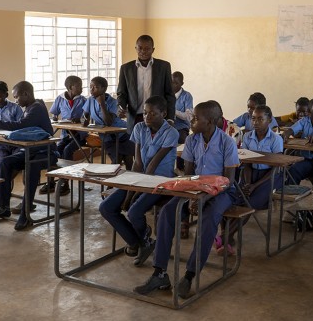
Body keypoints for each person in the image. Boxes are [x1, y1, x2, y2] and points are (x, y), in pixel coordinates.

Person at [134, 101, 239, 298]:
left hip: (222, 192)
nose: (192, 120)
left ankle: (190, 275)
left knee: (208, 221)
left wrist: (203, 197)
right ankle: (160, 273)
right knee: (167, 213)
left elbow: (227, 181)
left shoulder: (227, 143)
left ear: (212, 122)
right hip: (196, 188)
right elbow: (189, 175)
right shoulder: (192, 141)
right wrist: (190, 195)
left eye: (197, 118)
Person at [98, 96, 178, 266]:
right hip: (140, 177)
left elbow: (153, 166)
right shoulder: (140, 128)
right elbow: (138, 163)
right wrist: (129, 191)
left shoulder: (171, 132)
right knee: (106, 207)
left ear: (163, 113)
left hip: (160, 181)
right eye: (146, 113)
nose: (147, 117)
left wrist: (131, 196)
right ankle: (140, 242)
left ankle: (143, 240)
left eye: (153, 114)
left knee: (134, 211)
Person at [0, 81, 54, 230]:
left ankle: (25, 215)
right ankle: (3, 206)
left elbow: (21, 125)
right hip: (30, 151)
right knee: (6, 163)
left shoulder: (36, 108)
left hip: (46, 152)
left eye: (17, 97)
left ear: (26, 94)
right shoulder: (29, 107)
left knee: (31, 168)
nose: (16, 101)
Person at [216, 104, 284, 255]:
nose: (256, 122)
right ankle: (227, 239)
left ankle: (224, 237)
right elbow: (246, 163)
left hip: (270, 178)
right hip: (250, 175)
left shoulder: (276, 139)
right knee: (233, 199)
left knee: (249, 205)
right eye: (253, 119)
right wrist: (247, 183)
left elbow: (275, 167)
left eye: (260, 119)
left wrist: (255, 185)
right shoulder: (247, 136)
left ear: (270, 120)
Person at [116, 35, 175, 132]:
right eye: (140, 48)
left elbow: (170, 95)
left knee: (156, 145)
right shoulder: (126, 68)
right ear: (136, 48)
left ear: (153, 49)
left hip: (157, 118)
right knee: (136, 146)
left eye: (147, 48)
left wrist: (170, 118)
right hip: (135, 117)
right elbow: (122, 93)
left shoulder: (164, 66)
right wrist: (120, 106)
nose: (143, 51)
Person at [40, 75, 86, 195]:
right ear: (71, 87)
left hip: (79, 135)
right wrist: (55, 118)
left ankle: (65, 183)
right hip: (66, 134)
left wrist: (80, 119)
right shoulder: (60, 99)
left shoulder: (83, 100)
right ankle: (50, 182)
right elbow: (54, 114)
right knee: (54, 150)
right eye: (79, 86)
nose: (81, 88)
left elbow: (87, 117)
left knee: (67, 151)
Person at [83, 76, 135, 167]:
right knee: (116, 159)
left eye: (95, 87)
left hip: (123, 135)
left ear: (104, 88)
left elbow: (108, 122)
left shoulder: (113, 102)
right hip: (107, 137)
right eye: (90, 87)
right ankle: (116, 179)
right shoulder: (90, 100)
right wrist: (84, 119)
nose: (92, 89)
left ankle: (128, 179)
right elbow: (84, 115)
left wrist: (102, 103)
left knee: (128, 159)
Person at [171, 71, 193, 145]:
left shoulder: (187, 96)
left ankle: (180, 156)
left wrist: (172, 110)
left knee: (181, 138)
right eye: (171, 82)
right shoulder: (166, 95)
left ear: (182, 84)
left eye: (176, 83)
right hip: (168, 126)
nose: (173, 85)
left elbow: (187, 116)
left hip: (181, 128)